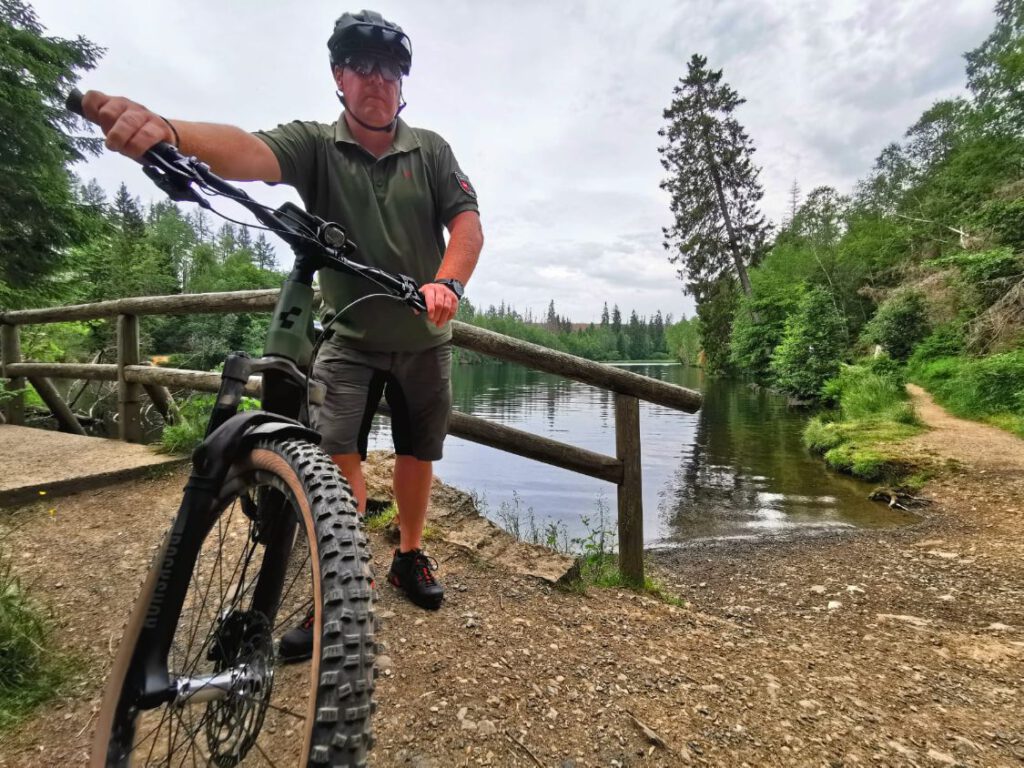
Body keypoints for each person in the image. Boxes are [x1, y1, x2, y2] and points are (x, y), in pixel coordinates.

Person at [80, 10, 484, 661]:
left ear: (402, 84)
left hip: (424, 341)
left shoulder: (431, 150)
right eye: (360, 65)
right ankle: (347, 578)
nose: (376, 79)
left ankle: (410, 554)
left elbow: (466, 223)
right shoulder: (315, 145)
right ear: (338, 77)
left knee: (417, 453)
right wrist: (171, 131)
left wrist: (448, 284)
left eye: (388, 69)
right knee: (336, 458)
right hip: (349, 339)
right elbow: (249, 150)